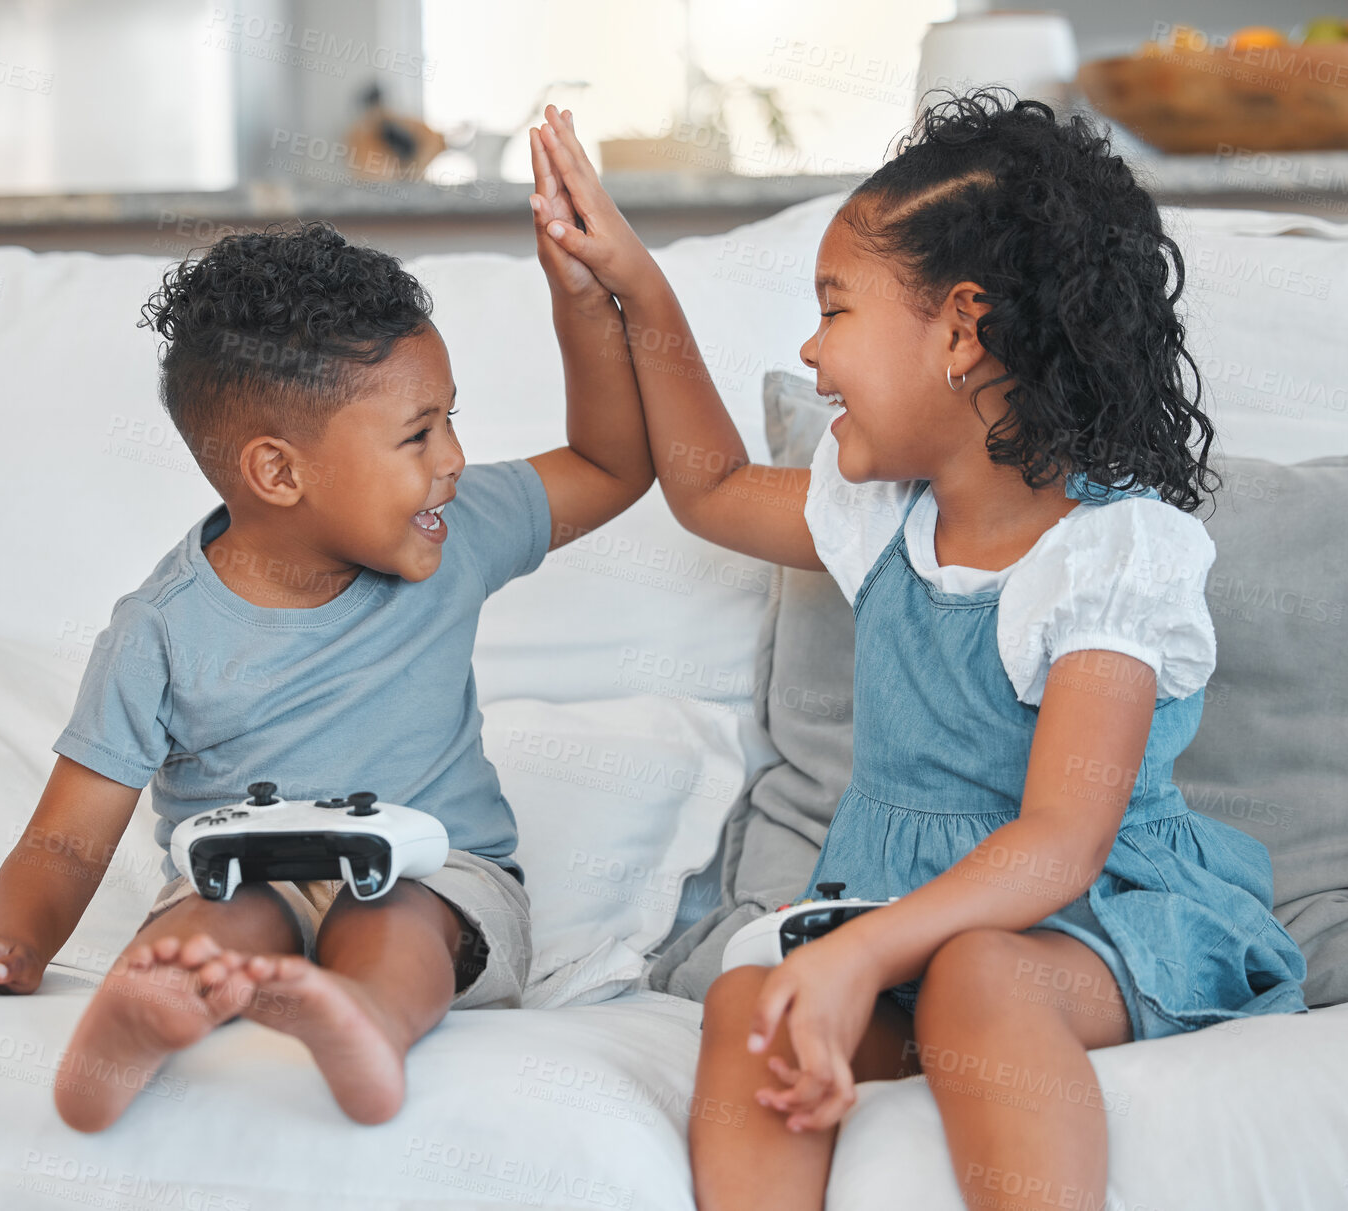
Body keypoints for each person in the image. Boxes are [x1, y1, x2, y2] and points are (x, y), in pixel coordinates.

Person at [531, 90, 1308, 1211]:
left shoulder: (1110, 554)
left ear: (956, 330)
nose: (809, 349)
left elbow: (1058, 842)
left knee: (976, 974)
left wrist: (858, 955)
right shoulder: (879, 514)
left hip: (1088, 926)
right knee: (752, 1004)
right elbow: (700, 488)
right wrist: (635, 286)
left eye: (834, 308)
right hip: (899, 916)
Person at [0, 111, 652, 1135]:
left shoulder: (456, 528)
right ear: (277, 471)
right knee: (215, 919)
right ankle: (139, 1023)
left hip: (436, 875)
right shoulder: (160, 630)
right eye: (418, 432)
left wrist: (580, 300)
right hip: (247, 866)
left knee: (394, 916)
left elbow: (614, 463)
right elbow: (66, 840)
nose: (454, 460)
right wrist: (12, 943)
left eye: (451, 418)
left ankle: (366, 1022)